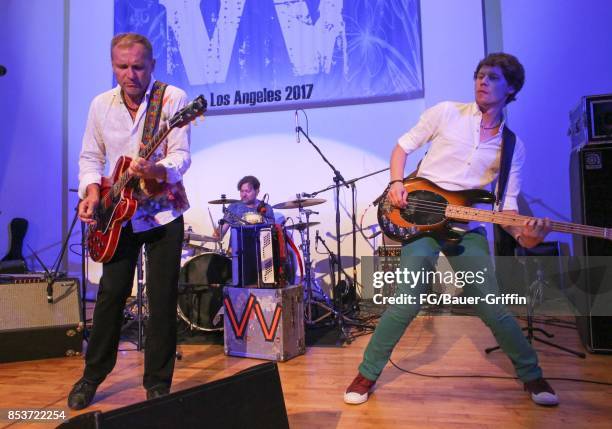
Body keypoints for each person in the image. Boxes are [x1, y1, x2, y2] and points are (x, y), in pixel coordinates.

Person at [344, 53, 559, 407]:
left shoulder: (512, 147)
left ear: (512, 88)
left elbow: (505, 210)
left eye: (492, 77)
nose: (482, 81)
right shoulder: (447, 112)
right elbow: (402, 147)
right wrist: (397, 181)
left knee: (492, 307)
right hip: (421, 221)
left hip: (466, 228)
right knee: (406, 302)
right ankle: (366, 374)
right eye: (479, 75)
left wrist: (527, 236)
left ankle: (533, 376)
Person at [68, 33, 191, 410]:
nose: (130, 74)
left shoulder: (173, 100)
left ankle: (157, 382)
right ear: (112, 66)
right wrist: (91, 193)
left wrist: (156, 168)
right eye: (122, 67)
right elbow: (90, 157)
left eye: (138, 66)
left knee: (161, 297)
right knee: (110, 295)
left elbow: (181, 157)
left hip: (162, 214)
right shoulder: (100, 105)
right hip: (116, 215)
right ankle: (92, 376)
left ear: (152, 65)